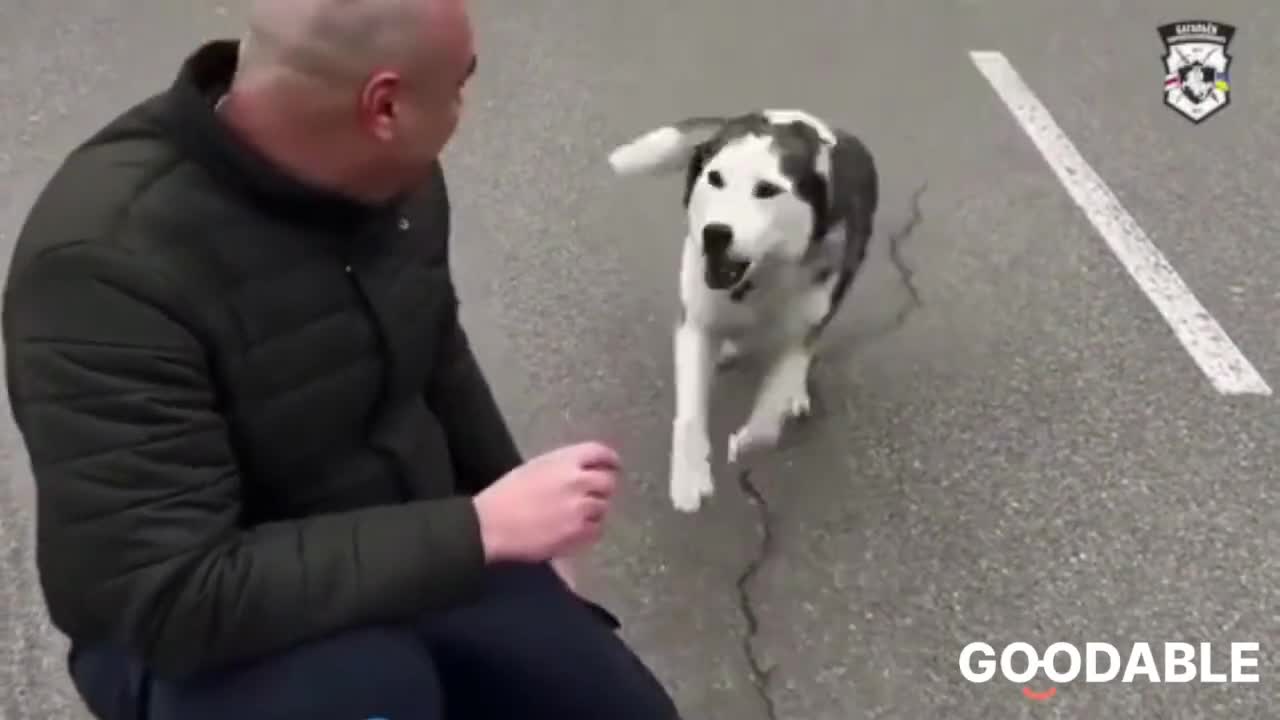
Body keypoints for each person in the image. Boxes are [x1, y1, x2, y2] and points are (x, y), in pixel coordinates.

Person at [1, 0, 682, 718]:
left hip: (408, 547)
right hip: (208, 628)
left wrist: (527, 532)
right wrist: (483, 529)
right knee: (374, 692)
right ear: (383, 105)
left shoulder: (398, 178)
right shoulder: (103, 268)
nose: (463, 107)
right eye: (458, 84)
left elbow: (437, 352)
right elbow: (175, 597)